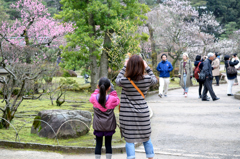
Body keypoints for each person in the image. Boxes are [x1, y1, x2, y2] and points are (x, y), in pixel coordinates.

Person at [115, 55, 158, 159]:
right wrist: (147, 67)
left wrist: (124, 67)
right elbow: (155, 79)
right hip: (142, 112)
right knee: (146, 138)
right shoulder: (147, 79)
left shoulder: (125, 81)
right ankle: (150, 157)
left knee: (129, 140)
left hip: (127, 114)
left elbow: (117, 80)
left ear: (129, 66)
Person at [90, 77, 120, 159]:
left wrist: (97, 90)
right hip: (109, 126)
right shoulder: (112, 99)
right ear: (109, 87)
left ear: (98, 86)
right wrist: (113, 91)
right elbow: (117, 100)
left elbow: (92, 96)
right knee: (108, 144)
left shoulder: (94, 98)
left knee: (98, 144)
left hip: (98, 126)